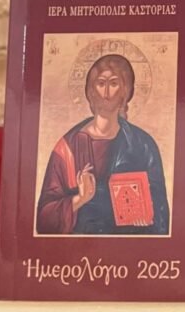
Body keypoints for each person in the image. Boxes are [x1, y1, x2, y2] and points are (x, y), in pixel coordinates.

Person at [36, 54, 169, 234]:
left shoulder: (142, 145)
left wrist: (145, 216)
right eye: (100, 83)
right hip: (81, 248)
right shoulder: (68, 147)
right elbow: (44, 220)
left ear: (125, 91)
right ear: (91, 91)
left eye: (113, 84)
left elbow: (161, 215)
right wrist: (80, 199)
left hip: (129, 246)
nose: (106, 93)